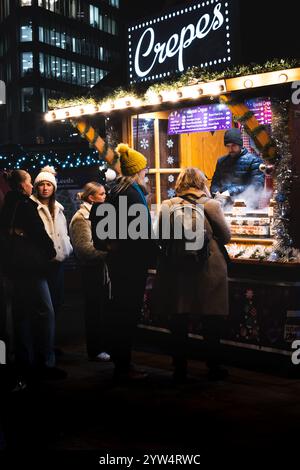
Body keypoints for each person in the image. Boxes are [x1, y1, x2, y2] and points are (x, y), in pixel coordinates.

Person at [155, 167, 231, 383]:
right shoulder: (212, 205)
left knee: (179, 319)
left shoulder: (168, 205)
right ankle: (214, 367)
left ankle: (180, 368)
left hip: (178, 268)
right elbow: (226, 236)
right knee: (211, 319)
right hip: (209, 268)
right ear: (201, 183)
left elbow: (160, 236)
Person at [90, 143, 156, 382]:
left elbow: (103, 220)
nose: (146, 174)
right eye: (145, 171)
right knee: (127, 313)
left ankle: (121, 361)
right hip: (131, 264)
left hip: (119, 262)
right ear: (137, 171)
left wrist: (109, 245)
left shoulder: (115, 190)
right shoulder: (132, 195)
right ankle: (124, 365)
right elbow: (141, 232)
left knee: (119, 311)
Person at [0, 170, 66, 381]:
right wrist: (51, 252)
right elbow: (40, 234)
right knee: (45, 312)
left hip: (11, 267)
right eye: (30, 182)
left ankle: (23, 360)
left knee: (19, 315)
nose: (33, 186)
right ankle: (45, 362)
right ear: (23, 185)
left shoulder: (8, 204)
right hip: (30, 267)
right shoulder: (26, 205)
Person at [69, 182, 110, 362]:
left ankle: (104, 345)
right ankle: (95, 348)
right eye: (101, 194)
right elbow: (83, 249)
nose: (105, 197)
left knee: (102, 310)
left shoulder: (101, 214)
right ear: (91, 197)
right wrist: (110, 253)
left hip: (101, 269)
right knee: (94, 310)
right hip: (91, 270)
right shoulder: (81, 218)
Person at [31, 166, 73, 322]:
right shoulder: (31, 207)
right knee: (43, 307)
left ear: (54, 187)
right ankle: (43, 344)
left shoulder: (58, 208)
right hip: (41, 263)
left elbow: (63, 232)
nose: (45, 188)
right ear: (36, 187)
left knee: (57, 302)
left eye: (48, 184)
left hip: (58, 261)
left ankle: (51, 342)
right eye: (41, 184)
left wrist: (66, 248)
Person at [210, 128, 264, 204]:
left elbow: (257, 186)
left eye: (233, 145)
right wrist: (215, 193)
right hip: (223, 204)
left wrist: (230, 192)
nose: (230, 149)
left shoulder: (254, 160)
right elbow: (215, 183)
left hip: (247, 205)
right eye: (228, 146)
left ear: (240, 144)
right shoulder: (221, 161)